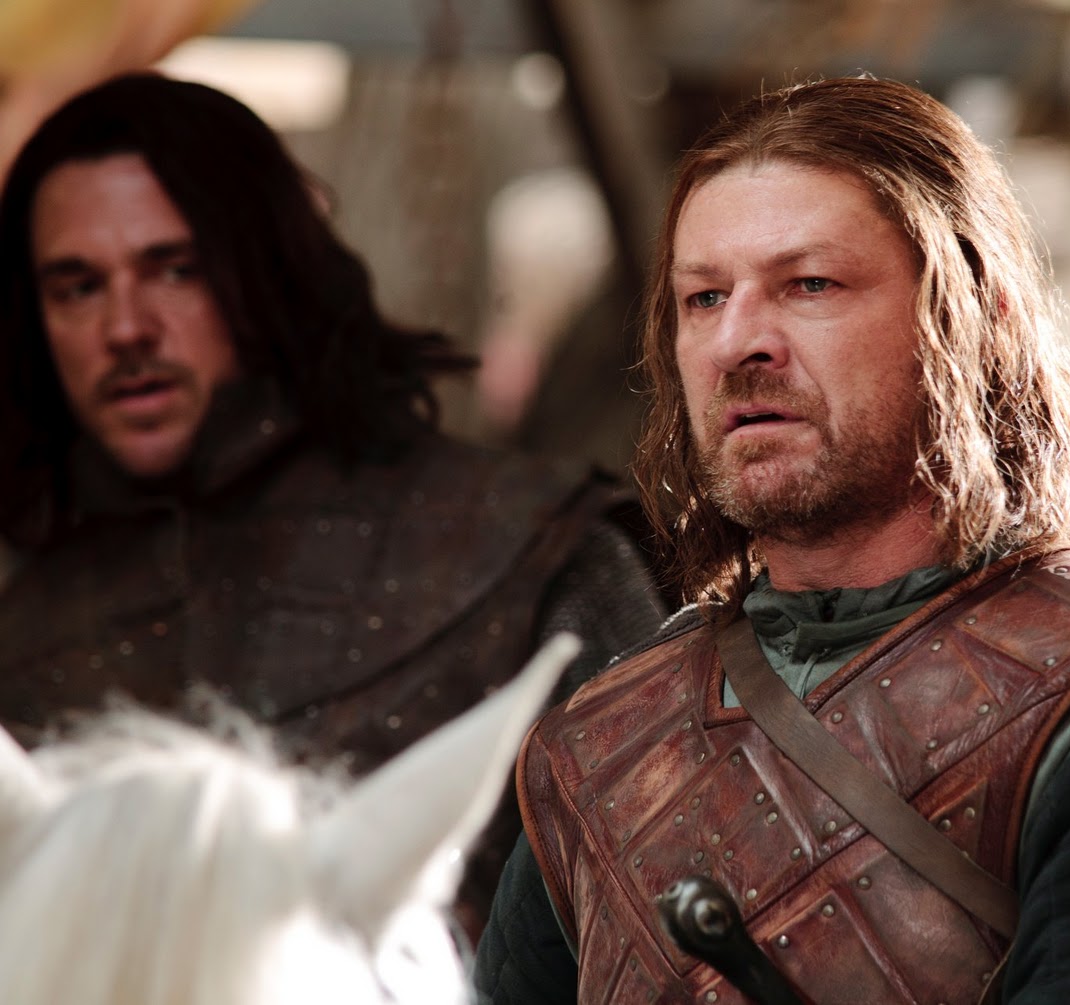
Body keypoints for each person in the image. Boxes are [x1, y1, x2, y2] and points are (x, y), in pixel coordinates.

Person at [474, 75, 1070, 1003]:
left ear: (974, 321)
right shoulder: (602, 749)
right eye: (705, 297)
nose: (737, 341)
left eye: (810, 284)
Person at [0, 72, 666, 934]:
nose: (125, 327)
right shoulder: (22, 616)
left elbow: (665, 917)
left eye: (175, 269)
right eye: (77, 286)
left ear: (267, 273)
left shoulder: (523, 548)